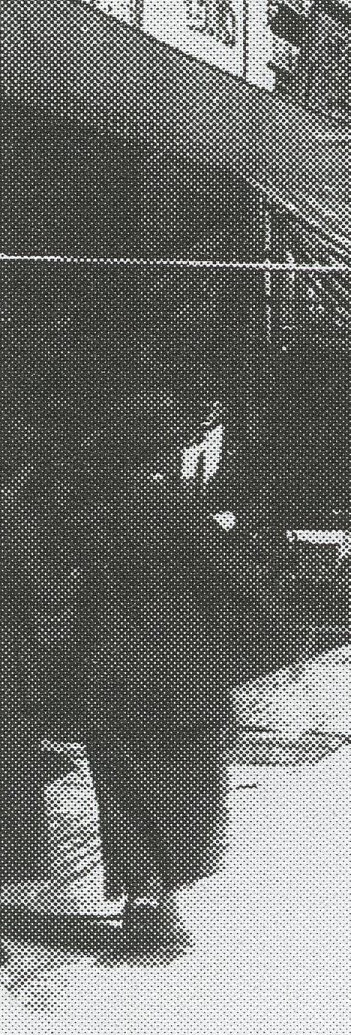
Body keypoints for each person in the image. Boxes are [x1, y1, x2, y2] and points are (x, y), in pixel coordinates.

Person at [22, 394, 259, 953]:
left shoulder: (87, 506)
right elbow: (232, 582)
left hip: (113, 661)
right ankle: (160, 889)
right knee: (175, 772)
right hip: (177, 663)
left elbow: (58, 579)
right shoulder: (175, 508)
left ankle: (141, 890)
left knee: (122, 774)